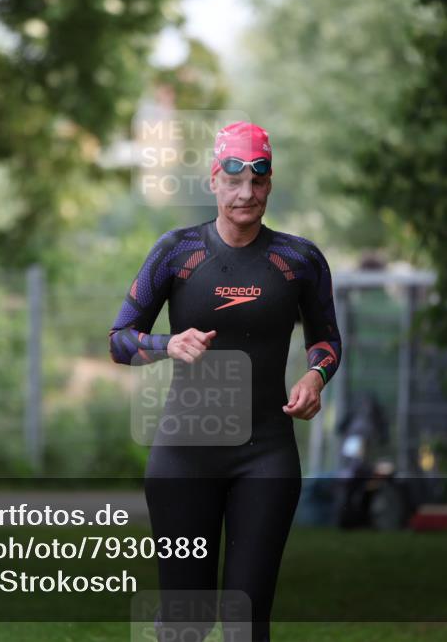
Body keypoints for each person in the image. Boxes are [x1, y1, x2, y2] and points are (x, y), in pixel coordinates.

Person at [109, 122, 342, 641]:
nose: (246, 194)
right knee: (185, 620)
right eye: (234, 181)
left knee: (246, 622)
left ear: (270, 183)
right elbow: (119, 340)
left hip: (266, 454)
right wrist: (166, 344)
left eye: (258, 181)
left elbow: (327, 340)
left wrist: (315, 377)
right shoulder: (176, 251)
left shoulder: (300, 260)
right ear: (214, 180)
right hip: (184, 455)